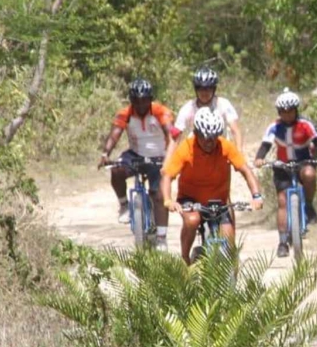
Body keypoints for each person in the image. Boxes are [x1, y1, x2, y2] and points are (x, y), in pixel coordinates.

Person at [160, 108, 264, 263]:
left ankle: (230, 275)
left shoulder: (225, 146)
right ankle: (185, 258)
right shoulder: (186, 148)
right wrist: (168, 200)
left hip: (219, 201)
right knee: (192, 221)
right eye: (205, 137)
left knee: (230, 246)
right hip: (190, 200)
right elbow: (167, 176)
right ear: (196, 133)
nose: (209, 142)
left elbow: (246, 170)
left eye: (214, 137)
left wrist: (256, 196)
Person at [98, 78, 177, 249]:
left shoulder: (161, 112)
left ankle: (161, 238)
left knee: (159, 195)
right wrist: (105, 153)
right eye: (136, 101)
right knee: (116, 170)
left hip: (159, 157)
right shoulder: (125, 113)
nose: (140, 104)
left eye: (144, 100)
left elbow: (171, 136)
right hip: (135, 154)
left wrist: (169, 161)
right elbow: (115, 134)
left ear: (150, 99)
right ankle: (124, 205)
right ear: (131, 100)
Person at [255, 87, 317, 258]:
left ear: (296, 110)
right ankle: (283, 242)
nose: (287, 114)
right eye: (283, 111)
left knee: (309, 174)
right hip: (282, 166)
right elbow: (265, 145)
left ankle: (309, 205)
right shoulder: (274, 127)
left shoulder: (305, 125)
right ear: (279, 112)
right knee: (283, 202)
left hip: (303, 163)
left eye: (290, 111)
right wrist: (259, 158)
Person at [174, 66, 243, 153]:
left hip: (220, 151)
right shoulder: (188, 108)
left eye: (208, 89)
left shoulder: (223, 104)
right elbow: (175, 135)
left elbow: (235, 130)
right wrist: (170, 159)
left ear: (214, 89)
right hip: (196, 153)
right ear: (196, 90)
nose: (204, 93)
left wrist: (239, 152)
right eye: (200, 89)